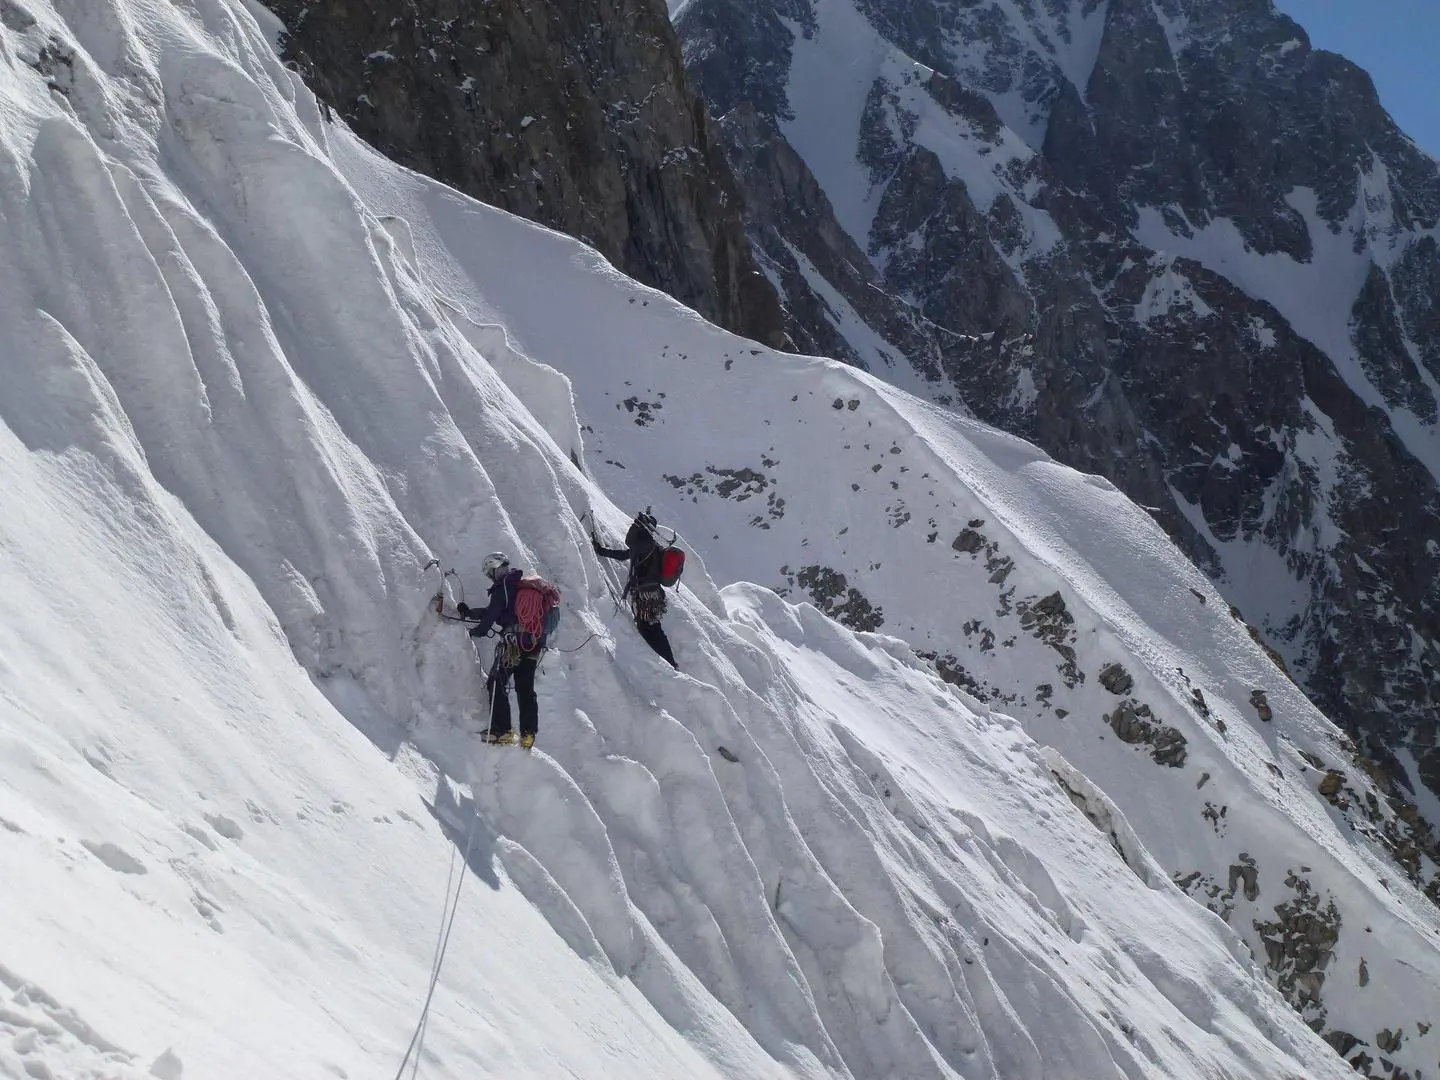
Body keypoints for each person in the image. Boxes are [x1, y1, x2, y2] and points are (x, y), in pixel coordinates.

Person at [456, 552, 544, 748]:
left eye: (490, 572)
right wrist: (470, 613)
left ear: (495, 569)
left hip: (512, 644)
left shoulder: (501, 587)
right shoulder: (515, 585)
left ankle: (502, 731)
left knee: (496, 682)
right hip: (531, 643)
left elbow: (491, 618)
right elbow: (496, 612)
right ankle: (528, 735)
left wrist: (474, 633)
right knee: (525, 689)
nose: (490, 576)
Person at [592, 512, 678, 669]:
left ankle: (661, 662)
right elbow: (628, 554)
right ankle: (670, 660)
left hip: (644, 596)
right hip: (656, 594)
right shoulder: (654, 546)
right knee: (654, 626)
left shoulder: (640, 545)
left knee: (646, 627)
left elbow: (624, 554)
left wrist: (601, 550)